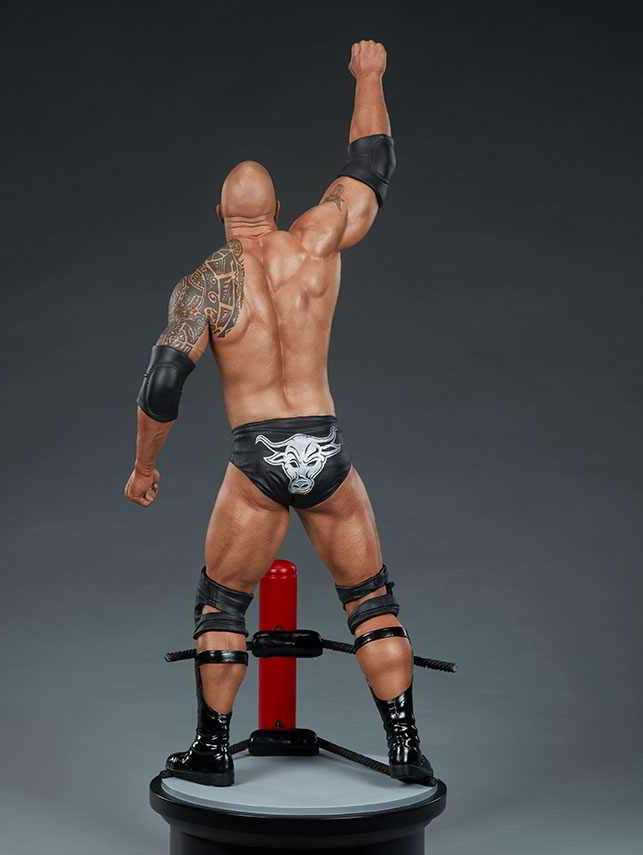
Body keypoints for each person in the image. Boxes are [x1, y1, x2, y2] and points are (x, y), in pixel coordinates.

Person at [125, 40, 434, 788]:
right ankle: (405, 751)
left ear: (221, 215)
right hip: (323, 447)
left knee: (222, 605)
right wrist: (369, 76)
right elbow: (371, 167)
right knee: (371, 601)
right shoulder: (316, 242)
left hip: (258, 455)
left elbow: (162, 383)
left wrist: (144, 467)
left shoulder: (205, 284)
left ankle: (212, 751)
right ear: (275, 208)